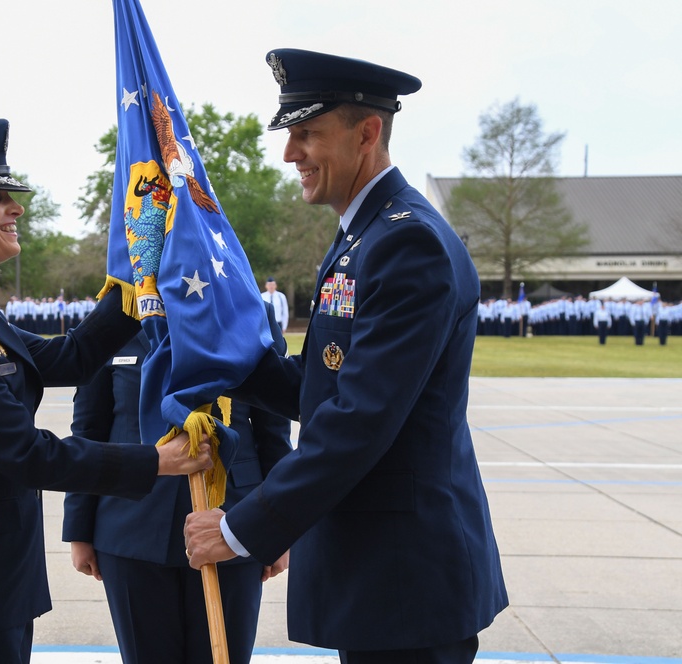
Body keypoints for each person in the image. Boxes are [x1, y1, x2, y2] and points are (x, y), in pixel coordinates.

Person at [184, 49, 508, 663]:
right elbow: (322, 383)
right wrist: (223, 355)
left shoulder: (406, 242)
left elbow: (358, 420)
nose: (289, 154)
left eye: (307, 133)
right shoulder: (367, 235)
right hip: (378, 572)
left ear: (367, 133)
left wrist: (238, 529)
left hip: (406, 577)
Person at [0, 118, 211, 664]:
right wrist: (155, 462)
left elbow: (68, 357)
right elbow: (25, 454)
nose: (16, 207)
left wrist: (137, 275)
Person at [62, 302, 293, 664]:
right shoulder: (114, 314)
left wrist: (278, 529)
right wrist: (79, 528)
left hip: (233, 524)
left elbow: (274, 432)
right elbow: (89, 429)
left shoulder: (244, 306)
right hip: (129, 530)